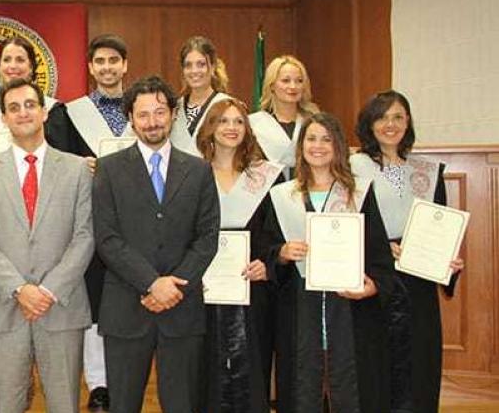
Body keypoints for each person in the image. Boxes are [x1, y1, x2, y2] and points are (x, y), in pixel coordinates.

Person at [0, 79, 94, 413]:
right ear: (3, 118)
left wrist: (48, 291)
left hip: (61, 306)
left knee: (65, 404)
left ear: (44, 111)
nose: (23, 113)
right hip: (4, 307)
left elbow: (85, 236)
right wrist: (20, 289)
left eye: (29, 105)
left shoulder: (78, 169)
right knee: (7, 405)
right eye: (13, 108)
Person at [92, 75, 220, 413]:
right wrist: (151, 283)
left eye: (160, 112)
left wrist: (173, 287)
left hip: (182, 307)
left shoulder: (199, 171)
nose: (152, 122)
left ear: (173, 114)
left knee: (182, 405)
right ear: (130, 119)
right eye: (143, 114)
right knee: (123, 405)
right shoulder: (108, 169)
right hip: (126, 308)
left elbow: (207, 237)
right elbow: (107, 238)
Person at [262, 113, 396, 413]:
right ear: (301, 146)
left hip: (349, 312)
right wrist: (281, 253)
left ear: (338, 146)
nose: (318, 146)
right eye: (311, 139)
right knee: (301, 390)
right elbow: (268, 249)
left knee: (350, 388)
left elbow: (379, 257)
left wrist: (372, 286)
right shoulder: (282, 196)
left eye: (326, 139)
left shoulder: (358, 193)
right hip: (299, 311)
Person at [351, 90, 464, 413]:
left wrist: (448, 262)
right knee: (376, 365)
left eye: (398, 117)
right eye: (382, 117)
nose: (391, 124)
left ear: (408, 122)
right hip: (375, 278)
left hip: (418, 281)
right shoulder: (352, 167)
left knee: (419, 362)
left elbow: (441, 226)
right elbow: (344, 221)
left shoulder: (427, 172)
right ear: (370, 123)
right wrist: (379, 248)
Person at [59, 34, 135, 411]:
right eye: (100, 61)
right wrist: (79, 165)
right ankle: (99, 383)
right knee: (93, 298)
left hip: (134, 217)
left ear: (125, 65)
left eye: (113, 60)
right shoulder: (71, 114)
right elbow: (56, 160)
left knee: (127, 295)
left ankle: (125, 377)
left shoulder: (142, 110)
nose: (107, 67)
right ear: (90, 68)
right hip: (88, 215)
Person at [195, 98, 285, 413]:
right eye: (223, 121)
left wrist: (268, 263)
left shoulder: (266, 177)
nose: (231, 128)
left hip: (252, 287)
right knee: (206, 368)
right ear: (210, 127)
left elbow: (278, 231)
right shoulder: (193, 174)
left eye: (238, 121)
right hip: (204, 289)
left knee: (252, 365)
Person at [0, 37, 69, 156]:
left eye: (20, 60)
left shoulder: (52, 109)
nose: (12, 66)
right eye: (6, 60)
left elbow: (63, 157)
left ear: (31, 67)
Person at [248, 56, 319, 171]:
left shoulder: (314, 121)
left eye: (299, 81)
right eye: (286, 80)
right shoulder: (254, 124)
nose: (293, 86)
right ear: (272, 86)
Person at [170, 36, 233, 157]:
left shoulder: (228, 105)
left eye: (201, 64)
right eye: (188, 65)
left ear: (213, 67)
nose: (194, 71)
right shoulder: (174, 108)